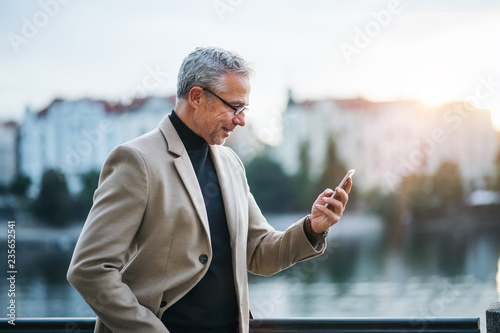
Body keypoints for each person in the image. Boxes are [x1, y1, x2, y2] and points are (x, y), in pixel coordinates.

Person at [67, 47, 352, 333]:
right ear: (196, 97)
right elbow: (90, 269)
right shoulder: (135, 160)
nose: (240, 120)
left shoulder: (231, 162)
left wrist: (312, 228)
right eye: (234, 107)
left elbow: (257, 252)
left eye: (244, 110)